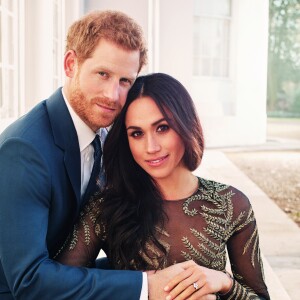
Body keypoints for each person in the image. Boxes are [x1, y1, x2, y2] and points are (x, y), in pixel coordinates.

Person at [0, 11, 192, 300]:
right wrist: (145, 286)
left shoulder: (105, 137)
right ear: (70, 64)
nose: (113, 95)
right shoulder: (24, 151)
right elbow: (28, 280)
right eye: (103, 74)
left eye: (125, 81)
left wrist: (183, 273)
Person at [56, 73, 270, 300]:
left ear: (185, 124)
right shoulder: (107, 207)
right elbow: (59, 287)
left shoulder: (230, 204)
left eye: (162, 128)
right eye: (137, 134)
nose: (151, 147)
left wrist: (224, 283)